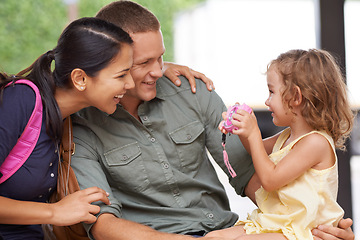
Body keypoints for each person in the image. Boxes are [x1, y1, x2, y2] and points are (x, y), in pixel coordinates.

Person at [70, 1, 355, 240]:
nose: (158, 71)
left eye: (161, 59)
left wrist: (314, 228)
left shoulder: (192, 92)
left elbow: (251, 179)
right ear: (111, 61)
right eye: (144, 63)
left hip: (221, 229)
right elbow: (102, 223)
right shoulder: (82, 125)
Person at [0, 17, 135, 239]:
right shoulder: (22, 100)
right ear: (80, 78)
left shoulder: (69, 115)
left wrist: (162, 70)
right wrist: (54, 212)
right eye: (122, 75)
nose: (130, 84)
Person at [208, 49, 355, 240]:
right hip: (277, 223)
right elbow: (254, 148)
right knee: (213, 237)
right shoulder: (286, 136)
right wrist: (243, 128)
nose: (267, 101)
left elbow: (270, 181)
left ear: (295, 97)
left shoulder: (316, 143)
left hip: (301, 230)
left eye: (271, 92)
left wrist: (253, 133)